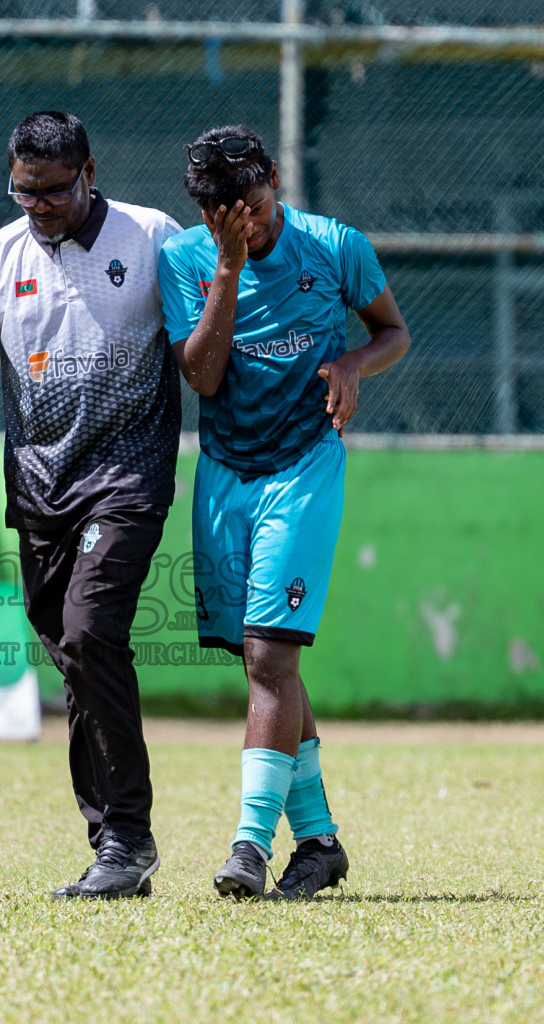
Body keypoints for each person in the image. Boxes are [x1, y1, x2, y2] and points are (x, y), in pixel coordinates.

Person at [0, 111, 182, 900]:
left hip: (126, 478)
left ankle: (127, 835)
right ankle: (114, 849)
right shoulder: (1, 255)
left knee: (93, 634)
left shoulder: (152, 237)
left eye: (54, 191)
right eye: (24, 193)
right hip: (40, 490)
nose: (39, 206)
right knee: (73, 657)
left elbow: (204, 344)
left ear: (90, 171)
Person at [157, 125, 411, 900]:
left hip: (304, 468)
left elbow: (393, 331)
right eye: (226, 218)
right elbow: (200, 379)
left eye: (258, 207)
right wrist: (227, 271)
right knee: (262, 658)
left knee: (272, 659)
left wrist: (352, 363)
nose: (249, 225)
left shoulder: (335, 246)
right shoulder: (185, 262)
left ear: (274, 178)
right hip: (226, 472)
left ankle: (247, 845)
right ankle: (322, 843)